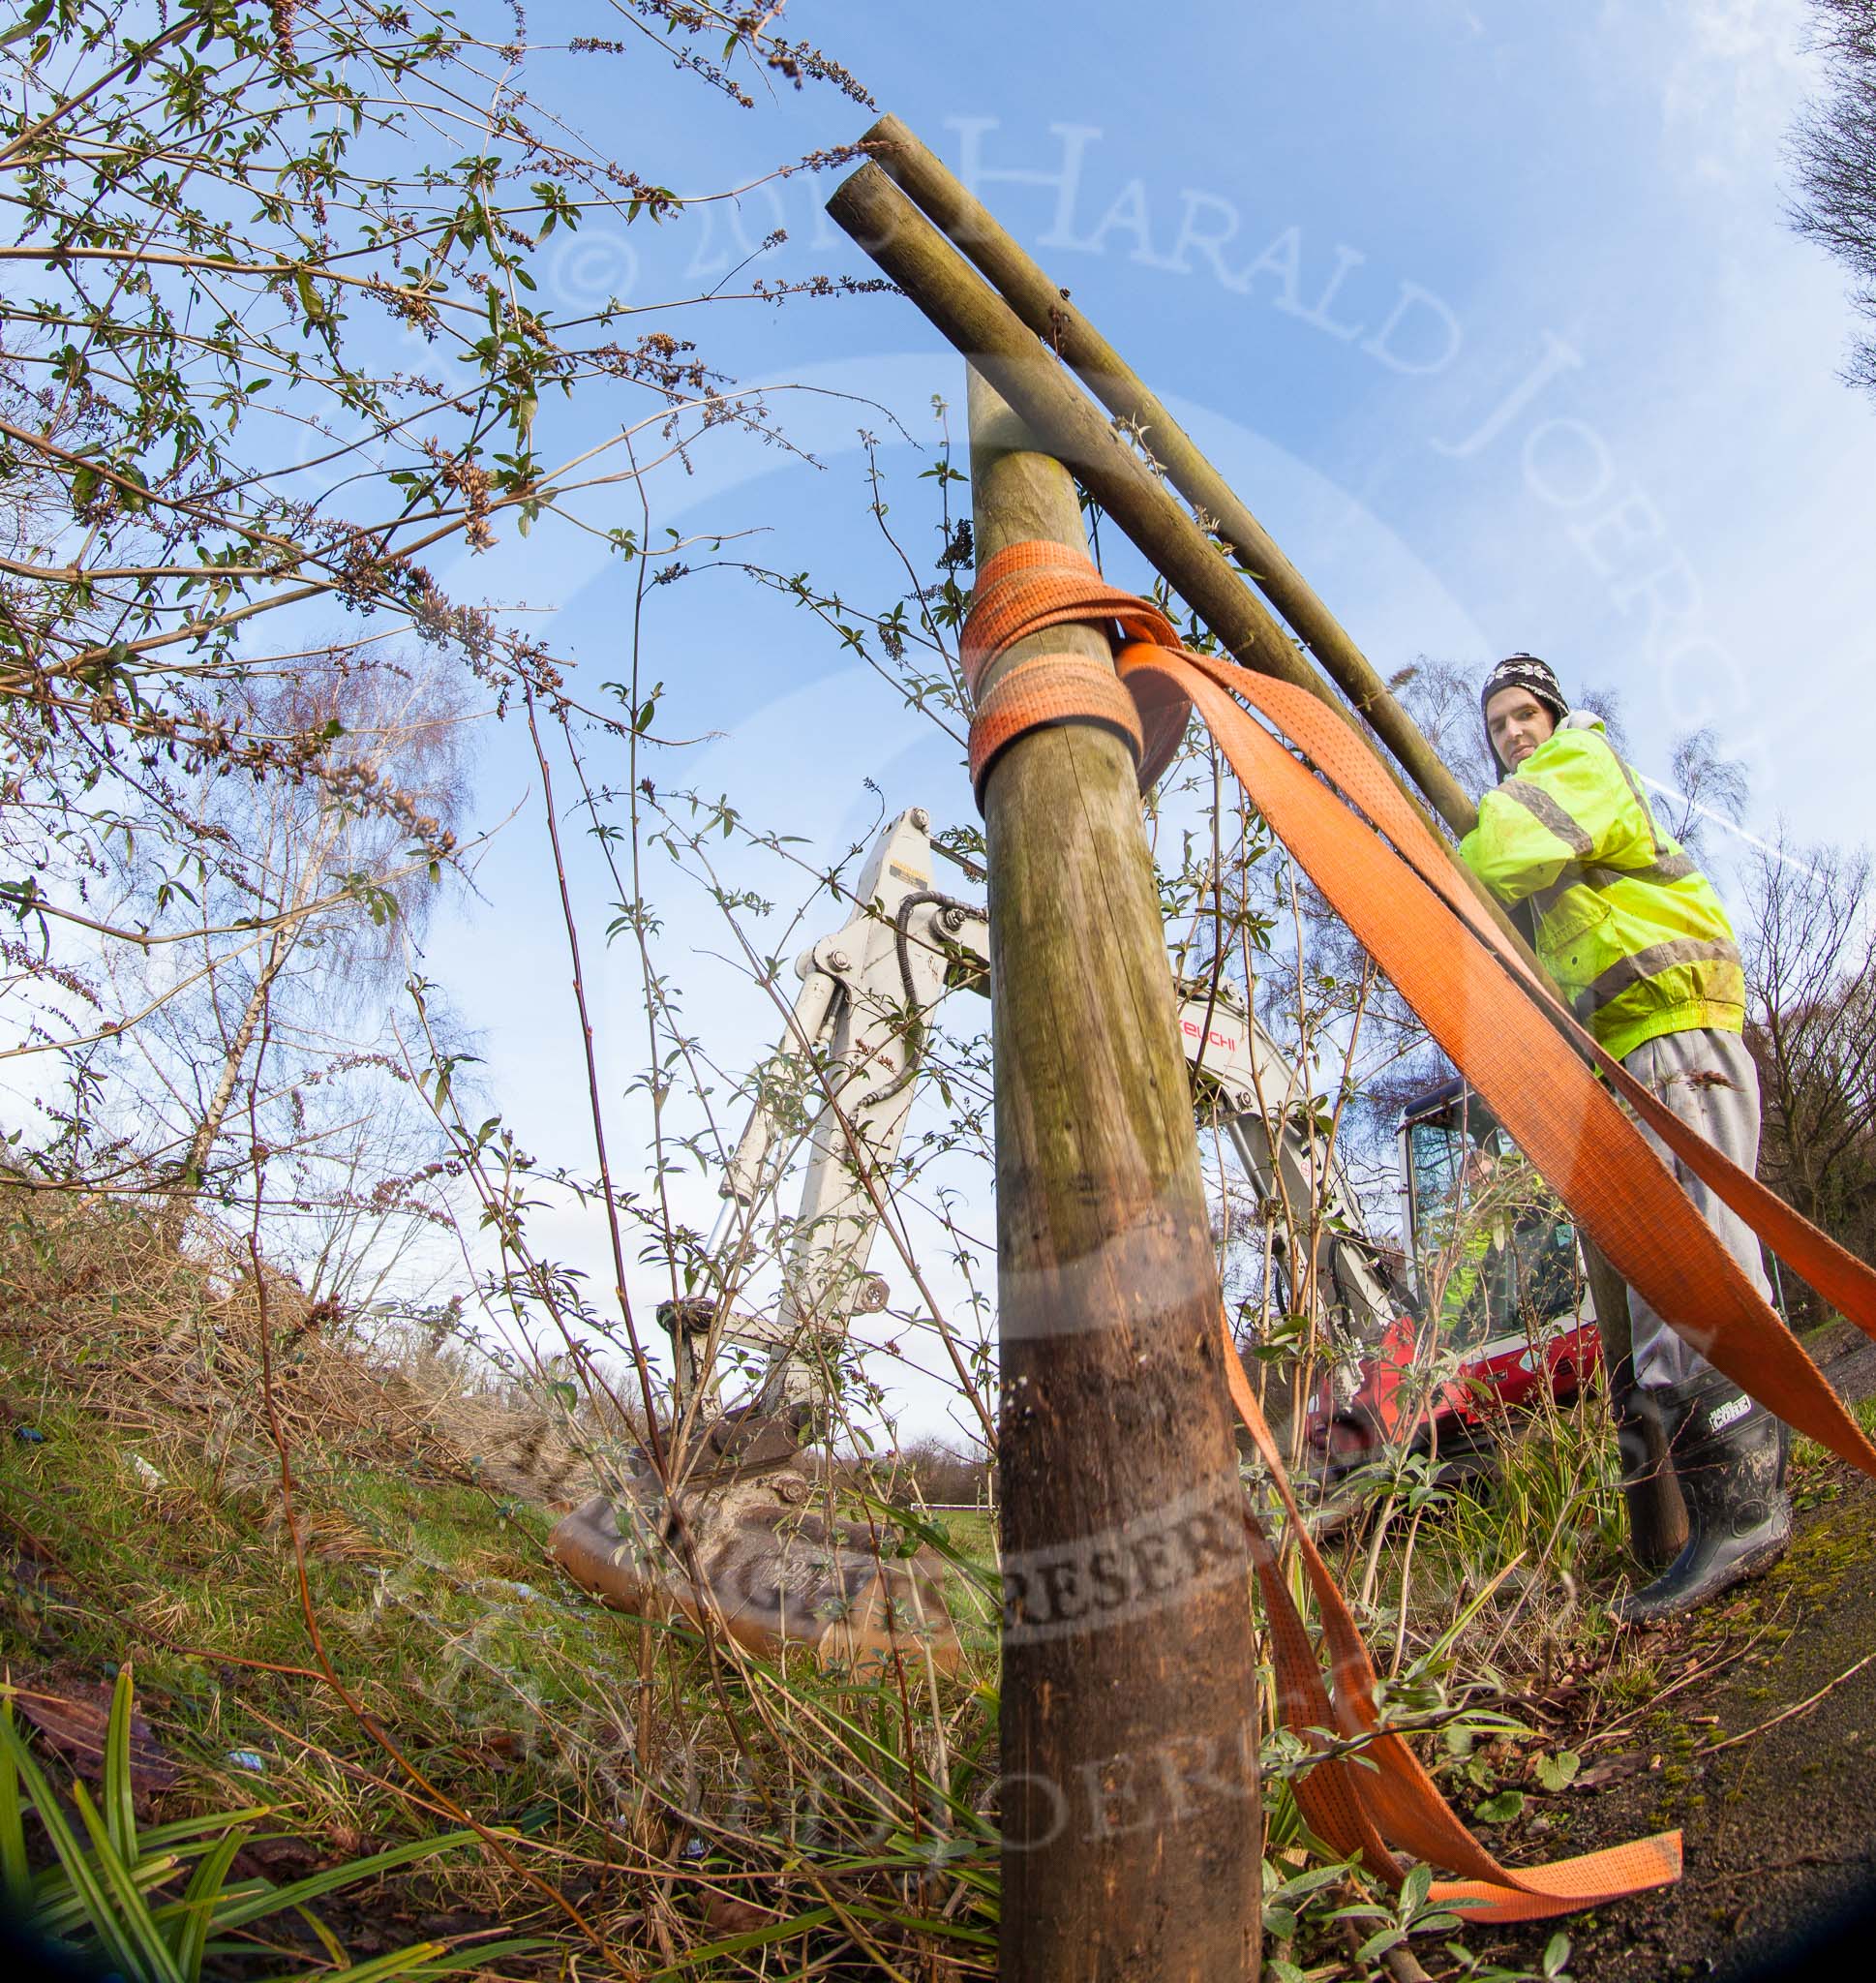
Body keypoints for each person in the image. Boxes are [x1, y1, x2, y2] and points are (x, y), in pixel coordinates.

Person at [1457, 654, 1790, 1625]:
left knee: (1692, 1266)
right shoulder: (1554, 797)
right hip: (1642, 1048)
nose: (1515, 733)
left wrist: (1463, 845)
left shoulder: (1582, 760)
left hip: (1671, 1032)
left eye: (1525, 715)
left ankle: (1743, 1511)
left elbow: (1499, 855)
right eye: (1499, 727)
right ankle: (1738, 1501)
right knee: (1684, 1263)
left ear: (1553, 714)